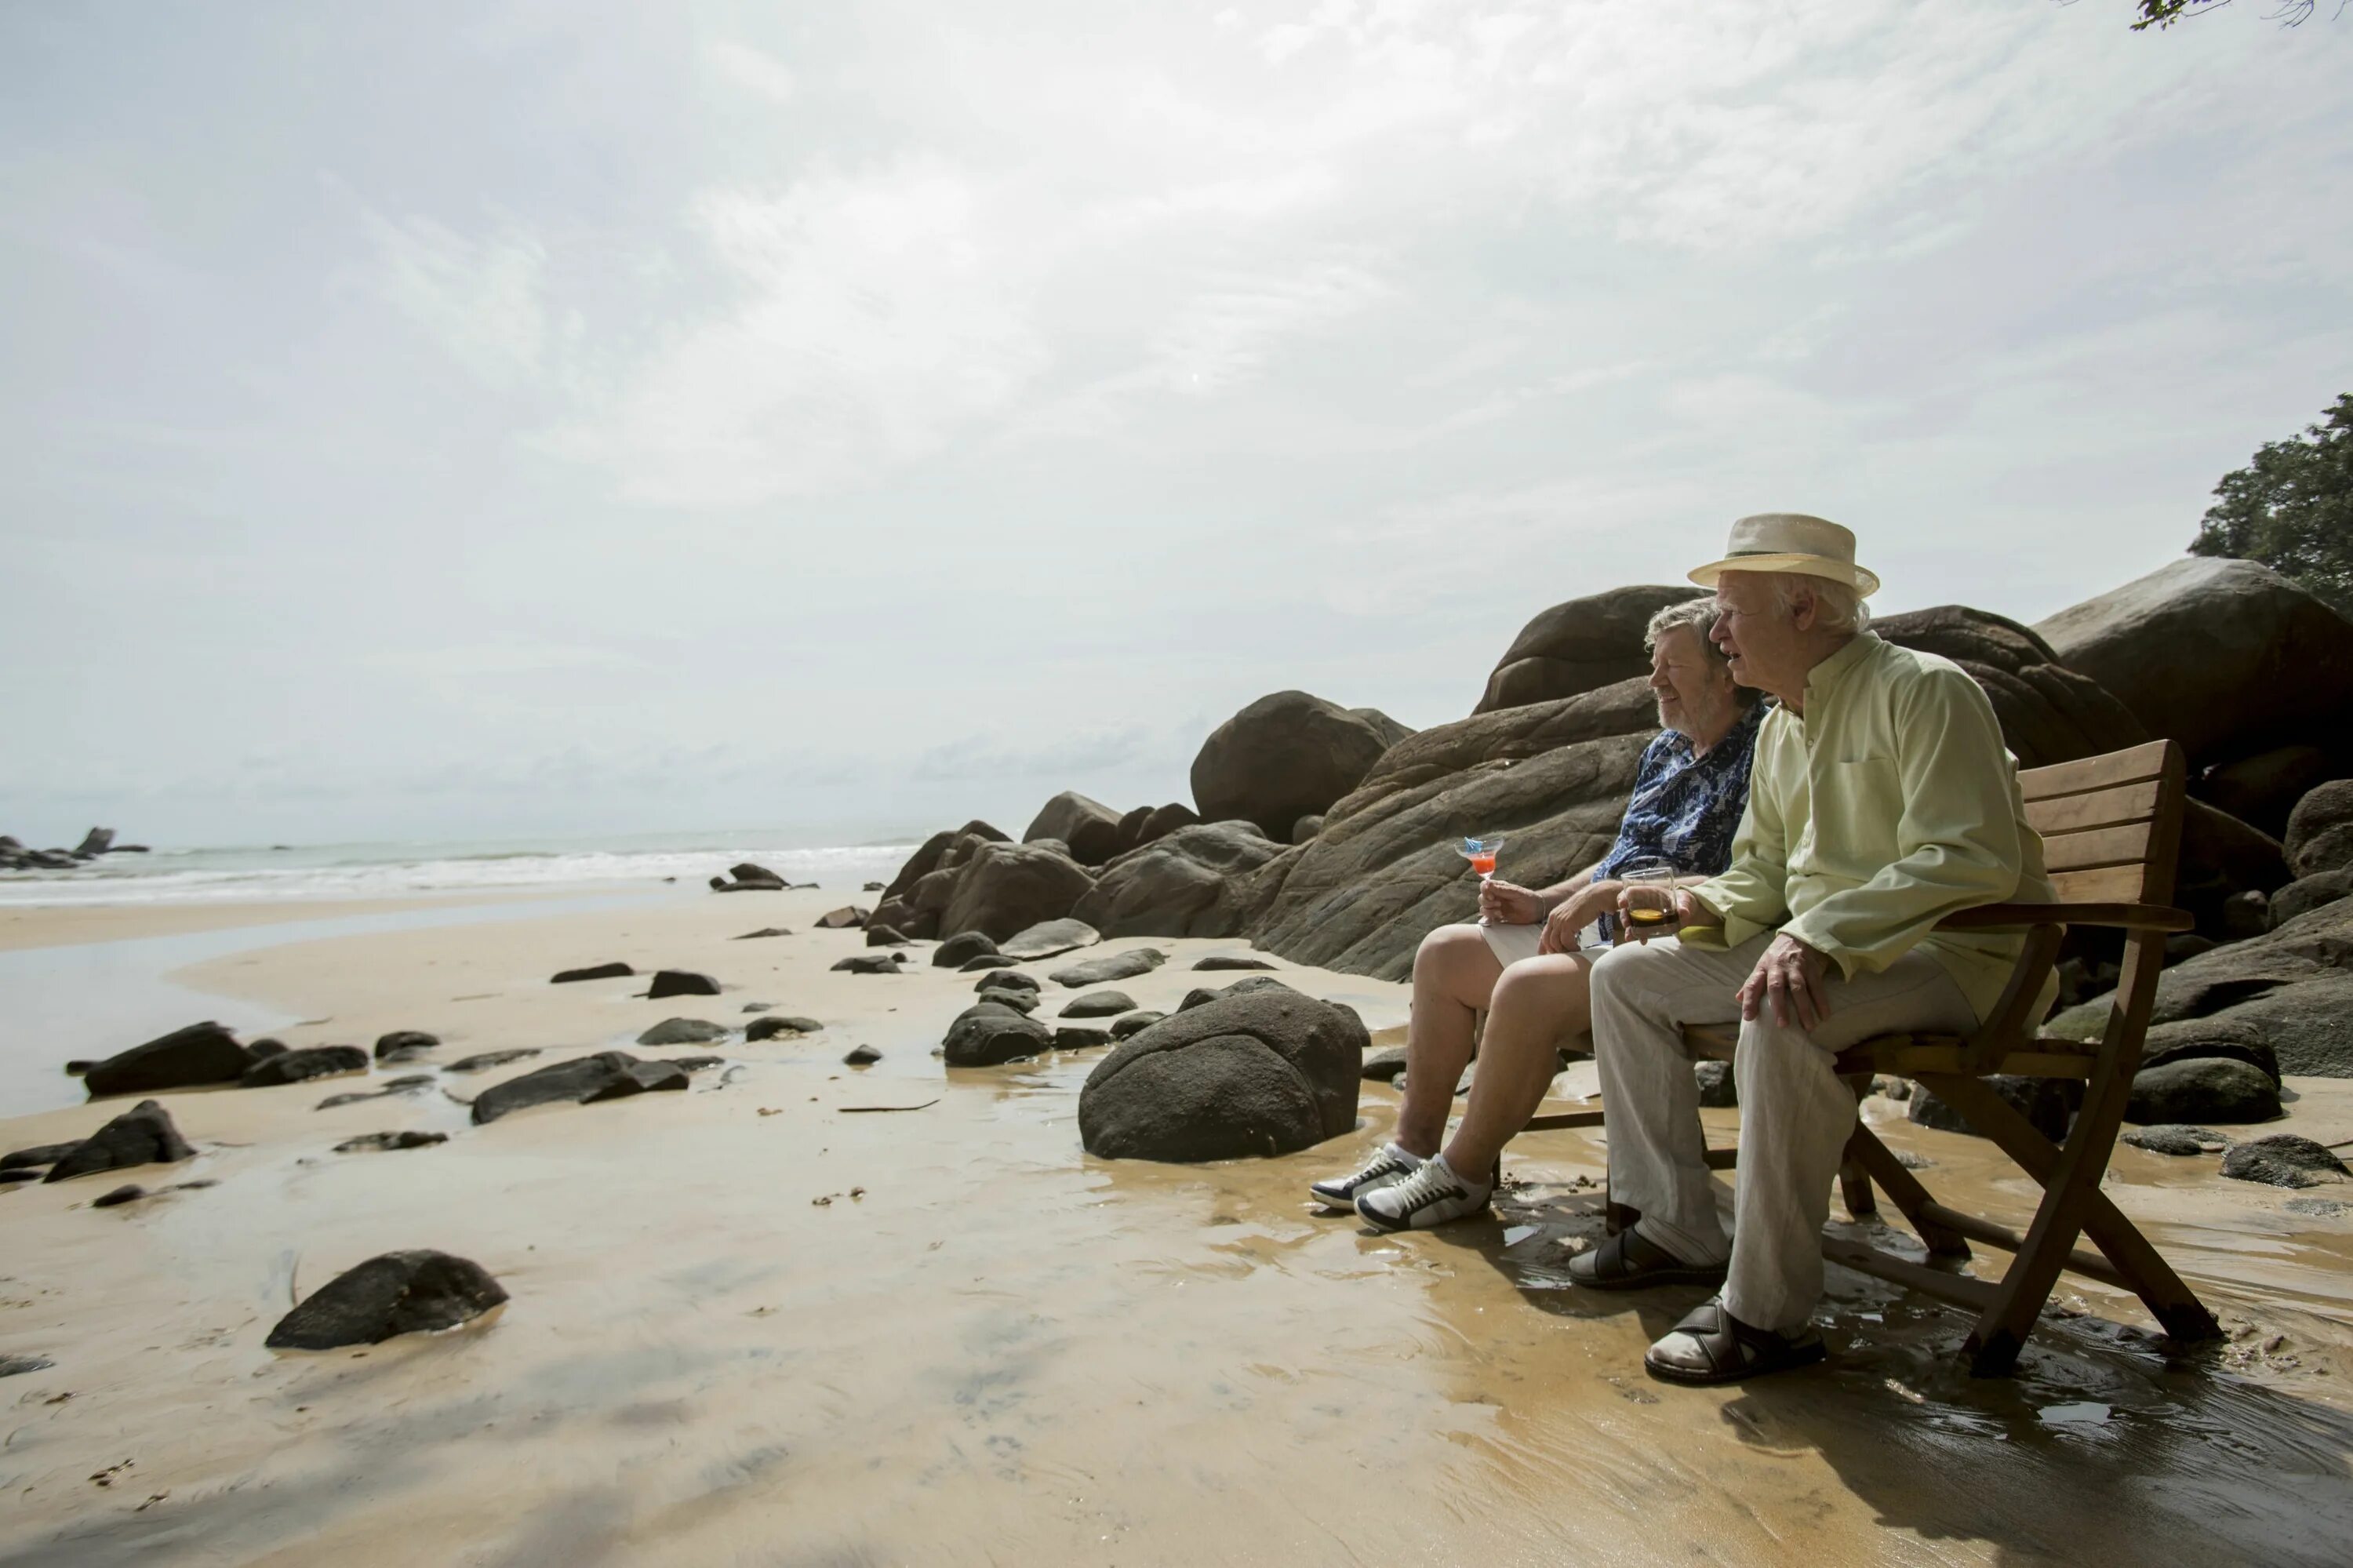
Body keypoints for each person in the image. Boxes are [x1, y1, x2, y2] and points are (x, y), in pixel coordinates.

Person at [1570, 512, 2053, 1387]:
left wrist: (1817, 935)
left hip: (1963, 959)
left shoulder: (1926, 689)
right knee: (1628, 976)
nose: (1716, 634)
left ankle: (1766, 1314)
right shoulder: (1784, 729)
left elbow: (1970, 855)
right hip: (1831, 955)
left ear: (1802, 608)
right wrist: (1671, 898)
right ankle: (1677, 1222)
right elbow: (1758, 880)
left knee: (1782, 1013)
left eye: (1728, 612)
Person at [1314, 595, 1768, 1231]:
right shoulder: (1664, 751)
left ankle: (1460, 1176)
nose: (1654, 680)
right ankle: (1409, 1151)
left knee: (1524, 987)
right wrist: (1545, 900)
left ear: (1726, 670)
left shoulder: (1766, 748)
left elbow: (1755, 878)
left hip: (1679, 946)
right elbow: (1619, 860)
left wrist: (1615, 900)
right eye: (1653, 663)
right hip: (1603, 934)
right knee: (1444, 953)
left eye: (1672, 665)